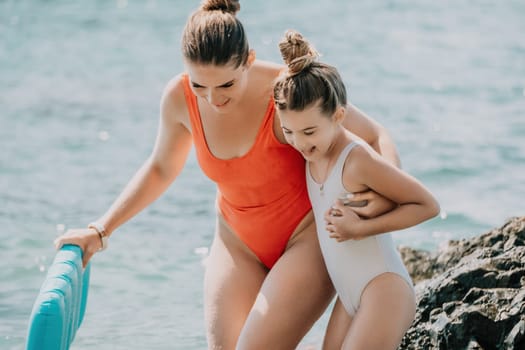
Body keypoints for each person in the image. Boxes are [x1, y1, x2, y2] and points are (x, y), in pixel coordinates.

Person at [54, 1, 403, 349]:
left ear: (248, 60)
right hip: (237, 242)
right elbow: (161, 168)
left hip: (306, 238)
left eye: (225, 85)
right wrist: (100, 231)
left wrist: (383, 198)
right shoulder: (178, 99)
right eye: (199, 85)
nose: (212, 99)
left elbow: (374, 135)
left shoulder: (285, 90)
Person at [273, 29, 440, 350]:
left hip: (384, 289)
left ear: (338, 116)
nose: (299, 143)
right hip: (349, 298)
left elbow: (426, 205)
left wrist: (361, 227)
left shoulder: (356, 158)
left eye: (309, 131)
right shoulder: (311, 156)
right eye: (289, 131)